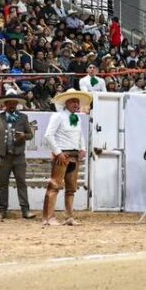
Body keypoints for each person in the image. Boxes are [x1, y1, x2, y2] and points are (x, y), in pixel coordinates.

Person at [42, 89, 90, 226]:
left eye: (77, 101)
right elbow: (48, 135)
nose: (76, 104)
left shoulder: (78, 118)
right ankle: (48, 217)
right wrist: (58, 152)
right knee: (54, 185)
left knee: (71, 188)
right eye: (74, 101)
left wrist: (83, 148)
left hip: (74, 155)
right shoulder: (58, 116)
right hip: (62, 155)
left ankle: (69, 217)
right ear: (67, 103)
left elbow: (80, 135)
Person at [0, 95, 35, 220]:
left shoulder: (23, 117)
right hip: (3, 157)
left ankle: (25, 210)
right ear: (5, 104)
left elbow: (30, 135)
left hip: (19, 156)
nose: (12, 105)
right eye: (9, 103)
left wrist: (24, 135)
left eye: (14, 102)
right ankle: (2, 211)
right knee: (3, 184)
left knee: (21, 183)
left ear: (17, 104)